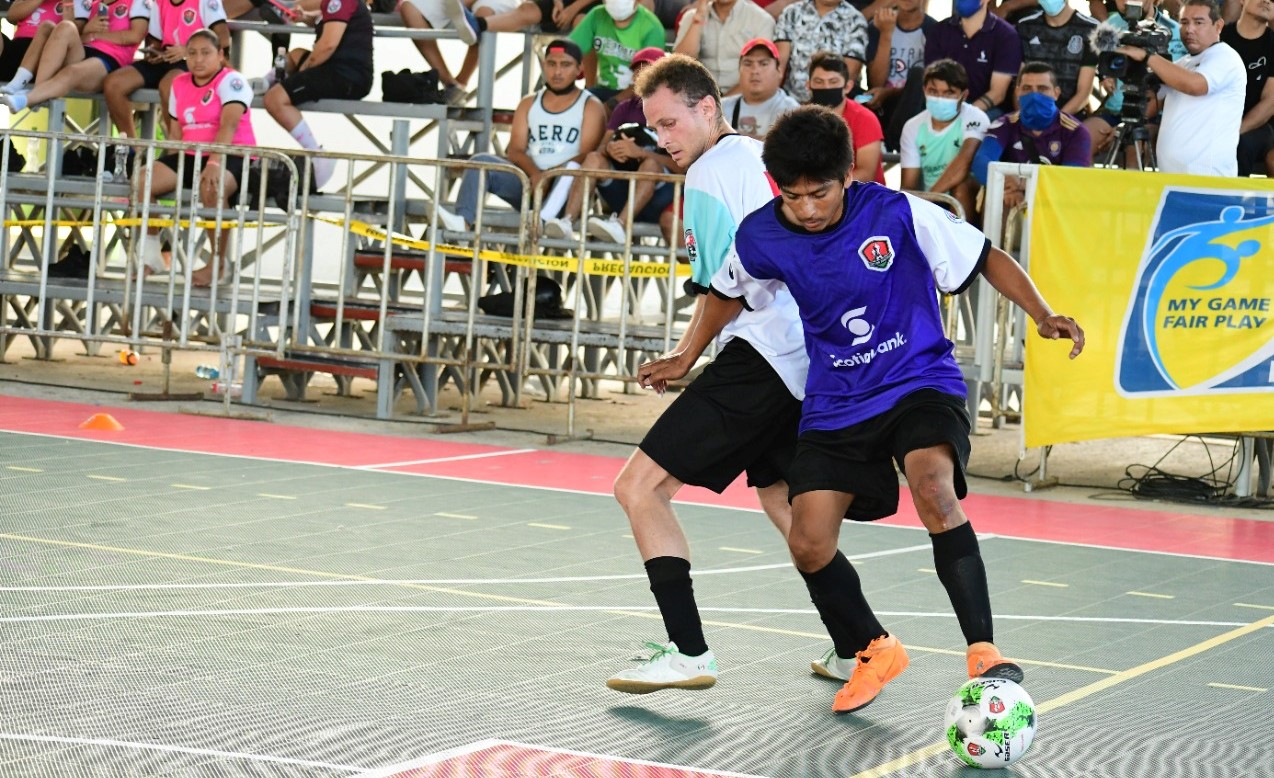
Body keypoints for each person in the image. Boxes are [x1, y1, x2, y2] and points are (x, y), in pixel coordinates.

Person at [665, 104, 1085, 714]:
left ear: (850, 176)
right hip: (837, 396)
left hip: (916, 377)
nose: (807, 209)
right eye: (794, 195)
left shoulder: (896, 211)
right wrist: (685, 355)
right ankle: (873, 648)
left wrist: (1043, 313)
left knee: (934, 487)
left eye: (821, 193)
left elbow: (986, 255)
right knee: (808, 541)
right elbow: (726, 292)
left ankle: (985, 652)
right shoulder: (762, 233)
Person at [604, 53, 809, 694]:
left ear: (707, 108)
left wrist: (683, 357)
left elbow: (722, 291)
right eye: (654, 130)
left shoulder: (708, 177)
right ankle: (859, 643)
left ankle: (688, 652)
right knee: (782, 499)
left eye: (670, 124)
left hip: (761, 354)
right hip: (803, 352)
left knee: (639, 489)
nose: (663, 140)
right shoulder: (753, 156)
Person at [434, 39, 606, 232]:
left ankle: (541, 221)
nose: (557, 72)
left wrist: (549, 176)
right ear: (543, 65)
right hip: (530, 182)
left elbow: (586, 154)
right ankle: (463, 220)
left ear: (579, 69)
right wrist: (535, 175)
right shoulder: (529, 103)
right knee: (481, 161)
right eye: (551, 64)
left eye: (565, 65)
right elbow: (515, 150)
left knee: (572, 167)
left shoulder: (590, 105)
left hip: (568, 189)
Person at [133, 28, 255, 286]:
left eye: (205, 53)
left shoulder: (232, 81)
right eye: (192, 53)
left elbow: (228, 127)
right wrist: (166, 166)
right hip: (191, 154)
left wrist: (213, 162)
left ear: (220, 55)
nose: (198, 59)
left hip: (232, 153)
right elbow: (176, 133)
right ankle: (152, 257)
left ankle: (219, 265)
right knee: (142, 179)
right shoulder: (179, 83)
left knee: (211, 185)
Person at [544, 46, 684, 243]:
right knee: (594, 158)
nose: (642, 76)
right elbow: (601, 148)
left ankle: (620, 225)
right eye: (637, 71)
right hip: (624, 190)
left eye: (650, 71)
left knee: (650, 166)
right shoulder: (625, 108)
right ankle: (566, 222)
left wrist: (640, 153)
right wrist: (610, 149)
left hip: (660, 199)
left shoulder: (678, 112)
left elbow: (684, 169)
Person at [1118, 0, 1243, 175]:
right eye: (1184, 22)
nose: (1190, 29)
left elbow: (1194, 85)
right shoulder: (1183, 64)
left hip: (1208, 179)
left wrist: (1148, 57)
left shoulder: (1226, 57)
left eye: (1198, 22)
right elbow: (1151, 106)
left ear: (1218, 25)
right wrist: (1132, 71)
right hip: (1172, 179)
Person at [260, 0, 373, 189]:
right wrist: (306, 17)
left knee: (273, 99)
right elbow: (330, 21)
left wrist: (305, 71)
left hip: (346, 75)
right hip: (344, 71)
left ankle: (316, 155)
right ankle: (263, 82)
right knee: (295, 55)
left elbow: (327, 46)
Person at [102, 0, 229, 141]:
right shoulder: (159, 2)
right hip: (166, 58)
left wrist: (189, 51)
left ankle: (178, 150)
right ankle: (132, 150)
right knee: (113, 84)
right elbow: (155, 41)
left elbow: (223, 39)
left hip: (194, 61)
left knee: (169, 86)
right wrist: (153, 53)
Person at [972, 62, 1091, 209]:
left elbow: (1071, 179)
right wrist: (1006, 186)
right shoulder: (1005, 125)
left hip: (1054, 205)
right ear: (1017, 92)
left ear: (1056, 93)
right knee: (1000, 201)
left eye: (1042, 89)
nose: (1034, 95)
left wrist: (1023, 186)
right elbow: (981, 161)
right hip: (1010, 198)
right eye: (1027, 89)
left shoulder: (1076, 132)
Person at [0, 0, 149, 114]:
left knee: (71, 71)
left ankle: (32, 97)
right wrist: (88, 30)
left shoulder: (137, 2)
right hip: (82, 51)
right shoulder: (93, 3)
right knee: (58, 27)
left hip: (109, 58)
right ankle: (31, 90)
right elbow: (79, 35)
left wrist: (93, 34)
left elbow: (135, 36)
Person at [1081, 0, 1185, 160]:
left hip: (1156, 112)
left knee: (1134, 148)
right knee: (1081, 138)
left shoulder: (1175, 31)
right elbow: (1102, 64)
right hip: (1117, 108)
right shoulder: (1108, 27)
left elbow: (1180, 79)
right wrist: (1105, 76)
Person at [899, 59, 987, 220]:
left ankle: (965, 241)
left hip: (964, 198)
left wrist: (928, 199)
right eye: (933, 91)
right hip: (930, 201)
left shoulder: (975, 117)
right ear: (924, 90)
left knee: (960, 187)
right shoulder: (912, 126)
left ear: (964, 95)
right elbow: (908, 185)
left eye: (949, 93)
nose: (940, 98)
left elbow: (963, 164)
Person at [923, 0, 1022, 117]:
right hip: (944, 102)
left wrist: (965, 116)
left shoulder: (1006, 35)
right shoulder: (939, 31)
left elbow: (998, 93)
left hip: (986, 110)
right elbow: (932, 81)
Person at [862, 0, 936, 150]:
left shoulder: (934, 30)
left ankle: (890, 142)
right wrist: (886, 34)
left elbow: (931, 86)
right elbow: (876, 83)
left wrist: (889, 92)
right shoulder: (877, 26)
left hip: (915, 106)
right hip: (881, 104)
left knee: (919, 74)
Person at [806, 51, 886, 184]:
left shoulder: (865, 119)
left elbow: (866, 173)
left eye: (833, 82)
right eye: (819, 82)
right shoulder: (801, 119)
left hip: (862, 197)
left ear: (848, 86)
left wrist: (822, 185)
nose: (826, 87)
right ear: (808, 85)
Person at [569, 0, 665, 103]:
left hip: (637, 98)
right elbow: (566, 52)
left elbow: (647, 81)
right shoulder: (597, 15)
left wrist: (612, 104)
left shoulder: (651, 27)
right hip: (602, 90)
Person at [772, 0, 868, 103]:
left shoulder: (855, 20)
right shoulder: (791, 13)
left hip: (833, 104)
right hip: (791, 102)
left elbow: (849, 73)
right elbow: (779, 67)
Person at [1015, 0, 1099, 117]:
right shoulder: (1025, 26)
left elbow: (1083, 92)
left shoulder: (1091, 29)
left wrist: (1056, 121)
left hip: (1069, 117)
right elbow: (1019, 86)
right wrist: (1025, 118)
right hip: (1030, 114)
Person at [672, 0, 775, 95]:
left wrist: (723, 104)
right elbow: (681, 63)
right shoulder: (692, 17)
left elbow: (761, 74)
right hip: (698, 96)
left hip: (743, 98)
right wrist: (698, 19)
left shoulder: (761, 20)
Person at [1219, 0, 1274, 175]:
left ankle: (1233, 200)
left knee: (1243, 142)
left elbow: (1270, 102)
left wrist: (1235, 131)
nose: (1267, 1)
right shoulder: (1219, 36)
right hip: (1216, 118)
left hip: (1258, 126)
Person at [721, 37, 799, 139]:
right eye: (748, 64)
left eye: (763, 64)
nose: (755, 70)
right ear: (739, 72)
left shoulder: (791, 111)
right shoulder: (721, 108)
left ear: (779, 71)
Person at [0, 0, 71, 89]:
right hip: (16, 49)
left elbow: (74, 27)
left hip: (44, 58)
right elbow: (11, 16)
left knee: (47, 28)